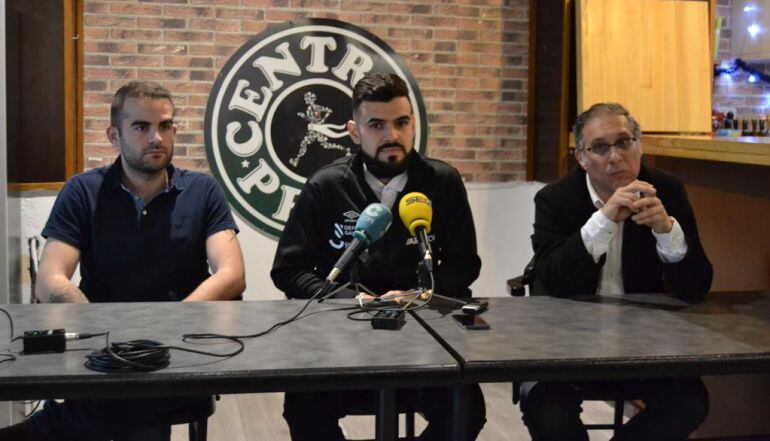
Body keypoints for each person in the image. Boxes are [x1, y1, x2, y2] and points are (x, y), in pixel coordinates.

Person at [0, 81, 245, 441]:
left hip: (176, 352)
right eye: (141, 127)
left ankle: (54, 424)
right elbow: (50, 279)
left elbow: (232, 274)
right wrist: (107, 333)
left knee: (130, 405)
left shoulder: (202, 191)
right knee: (129, 406)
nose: (156, 138)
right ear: (114, 135)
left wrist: (171, 321)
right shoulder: (83, 191)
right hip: (102, 355)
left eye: (164, 126)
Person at [271, 72, 486, 440]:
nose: (392, 136)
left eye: (402, 123)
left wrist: (416, 295)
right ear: (355, 132)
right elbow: (289, 270)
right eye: (377, 125)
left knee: (466, 412)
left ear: (414, 124)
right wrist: (351, 299)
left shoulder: (443, 182)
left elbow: (466, 263)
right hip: (342, 339)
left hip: (425, 337)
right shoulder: (326, 186)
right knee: (303, 410)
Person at [519, 102, 713, 440]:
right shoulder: (555, 199)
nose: (614, 156)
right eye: (600, 147)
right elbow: (554, 280)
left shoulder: (666, 191)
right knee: (547, 412)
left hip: (641, 345)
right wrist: (604, 219)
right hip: (564, 346)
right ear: (581, 158)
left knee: (690, 401)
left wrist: (668, 232)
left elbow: (696, 286)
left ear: (639, 145)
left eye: (624, 142)